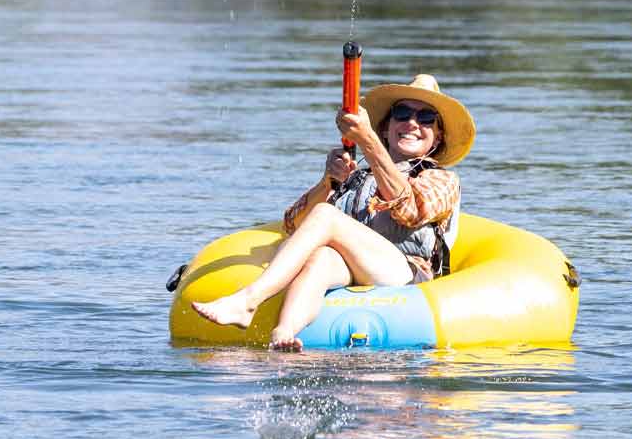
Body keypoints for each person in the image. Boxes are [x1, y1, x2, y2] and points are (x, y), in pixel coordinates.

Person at [192, 74, 476, 351]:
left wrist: (367, 142)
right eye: (402, 113)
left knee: (327, 216)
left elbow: (411, 210)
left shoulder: (441, 180)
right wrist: (328, 181)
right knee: (321, 257)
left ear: (437, 137)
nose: (412, 123)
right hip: (354, 266)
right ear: (387, 127)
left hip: (405, 273)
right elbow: (293, 224)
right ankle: (284, 332)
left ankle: (248, 301)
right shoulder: (357, 175)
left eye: (426, 118)